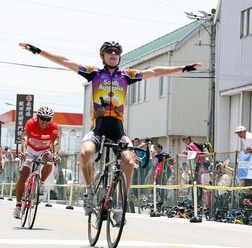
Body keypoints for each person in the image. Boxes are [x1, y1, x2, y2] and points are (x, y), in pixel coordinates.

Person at [19, 41, 202, 224]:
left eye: (116, 52)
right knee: (85, 153)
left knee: (129, 162)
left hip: (118, 130)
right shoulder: (94, 73)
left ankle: (120, 205)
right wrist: (38, 50)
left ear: (120, 56)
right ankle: (90, 191)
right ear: (103, 56)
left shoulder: (127, 75)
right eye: (109, 51)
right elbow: (66, 61)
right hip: (98, 129)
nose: (113, 54)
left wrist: (184, 68)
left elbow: (154, 72)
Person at [13, 106, 61, 219]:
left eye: (48, 119)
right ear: (38, 117)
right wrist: (23, 152)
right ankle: (18, 206)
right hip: (29, 150)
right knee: (23, 176)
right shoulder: (31, 123)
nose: (45, 122)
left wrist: (55, 155)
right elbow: (25, 137)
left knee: (49, 159)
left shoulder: (53, 126)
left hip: (43, 151)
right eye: (43, 118)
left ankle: (41, 183)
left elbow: (55, 142)